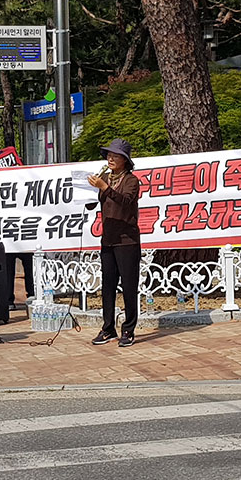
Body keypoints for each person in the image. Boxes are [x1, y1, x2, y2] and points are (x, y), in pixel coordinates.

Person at [87, 138, 141, 348]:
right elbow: (97, 203)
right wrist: (89, 192)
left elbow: (126, 202)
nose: (110, 158)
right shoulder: (104, 177)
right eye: (109, 154)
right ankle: (108, 327)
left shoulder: (131, 180)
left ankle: (128, 329)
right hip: (108, 239)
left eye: (115, 155)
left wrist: (104, 187)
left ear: (125, 160)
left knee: (129, 286)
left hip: (127, 241)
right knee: (107, 286)